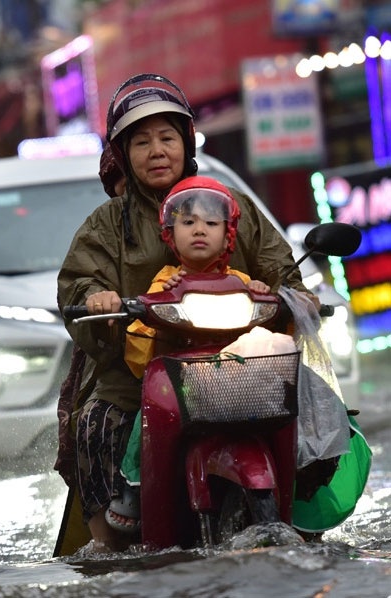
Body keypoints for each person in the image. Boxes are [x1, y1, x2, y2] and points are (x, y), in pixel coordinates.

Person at [56, 73, 310, 554]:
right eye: (142, 141)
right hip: (136, 371)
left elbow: (277, 265)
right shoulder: (108, 224)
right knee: (96, 423)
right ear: (122, 154)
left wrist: (293, 292)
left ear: (186, 144)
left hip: (236, 365)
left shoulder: (230, 206)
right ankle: (108, 545)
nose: (157, 151)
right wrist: (99, 299)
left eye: (167, 137)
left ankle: (301, 510)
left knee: (310, 415)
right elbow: (79, 280)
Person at [105, 175, 271, 531]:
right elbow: (139, 343)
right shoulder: (164, 281)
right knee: (146, 414)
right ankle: (134, 483)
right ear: (170, 231)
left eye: (212, 223)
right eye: (188, 222)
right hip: (180, 385)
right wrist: (152, 304)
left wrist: (261, 291)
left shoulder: (241, 280)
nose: (200, 230)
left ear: (228, 233)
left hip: (233, 380)